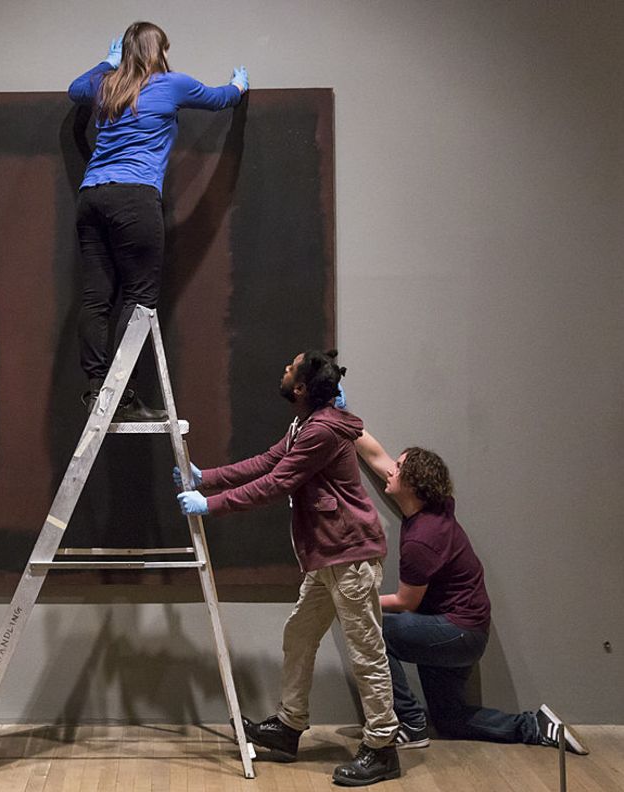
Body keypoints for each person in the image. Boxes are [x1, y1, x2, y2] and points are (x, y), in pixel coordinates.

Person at [174, 351, 401, 786]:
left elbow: (277, 483)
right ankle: (289, 727)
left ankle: (383, 747)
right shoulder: (305, 425)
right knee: (298, 635)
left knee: (367, 653)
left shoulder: (321, 431)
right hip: (329, 554)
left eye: (289, 368)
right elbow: (267, 462)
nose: (283, 369)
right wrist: (206, 478)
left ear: (300, 388)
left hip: (349, 554)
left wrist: (211, 506)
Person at [354, 431, 588, 754]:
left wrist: (356, 602)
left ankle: (409, 722)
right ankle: (537, 726)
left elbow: (407, 603)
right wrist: (344, 417)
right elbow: (376, 455)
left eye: (399, 467)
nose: (390, 469)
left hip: (457, 632)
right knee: (450, 720)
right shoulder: (431, 505)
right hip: (460, 629)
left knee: (371, 626)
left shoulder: (422, 539)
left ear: (413, 485)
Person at [68, 21, 247, 421]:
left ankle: (98, 389)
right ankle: (117, 397)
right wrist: (238, 86)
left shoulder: (104, 85)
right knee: (138, 301)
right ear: (158, 51)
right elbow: (220, 100)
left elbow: (73, 88)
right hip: (135, 198)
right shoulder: (170, 84)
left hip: (92, 196)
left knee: (97, 298)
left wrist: (105, 63)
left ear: (126, 52)